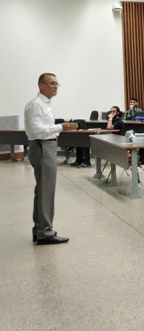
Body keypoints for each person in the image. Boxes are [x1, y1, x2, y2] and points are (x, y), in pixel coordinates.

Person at [25, 73, 78, 244]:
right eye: (51, 83)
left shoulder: (44, 103)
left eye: (57, 84)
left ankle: (39, 229)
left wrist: (59, 128)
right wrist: (61, 127)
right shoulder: (36, 104)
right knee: (46, 191)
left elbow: (42, 127)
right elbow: (35, 130)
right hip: (42, 146)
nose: (55, 86)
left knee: (42, 190)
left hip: (46, 145)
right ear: (41, 85)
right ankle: (45, 232)